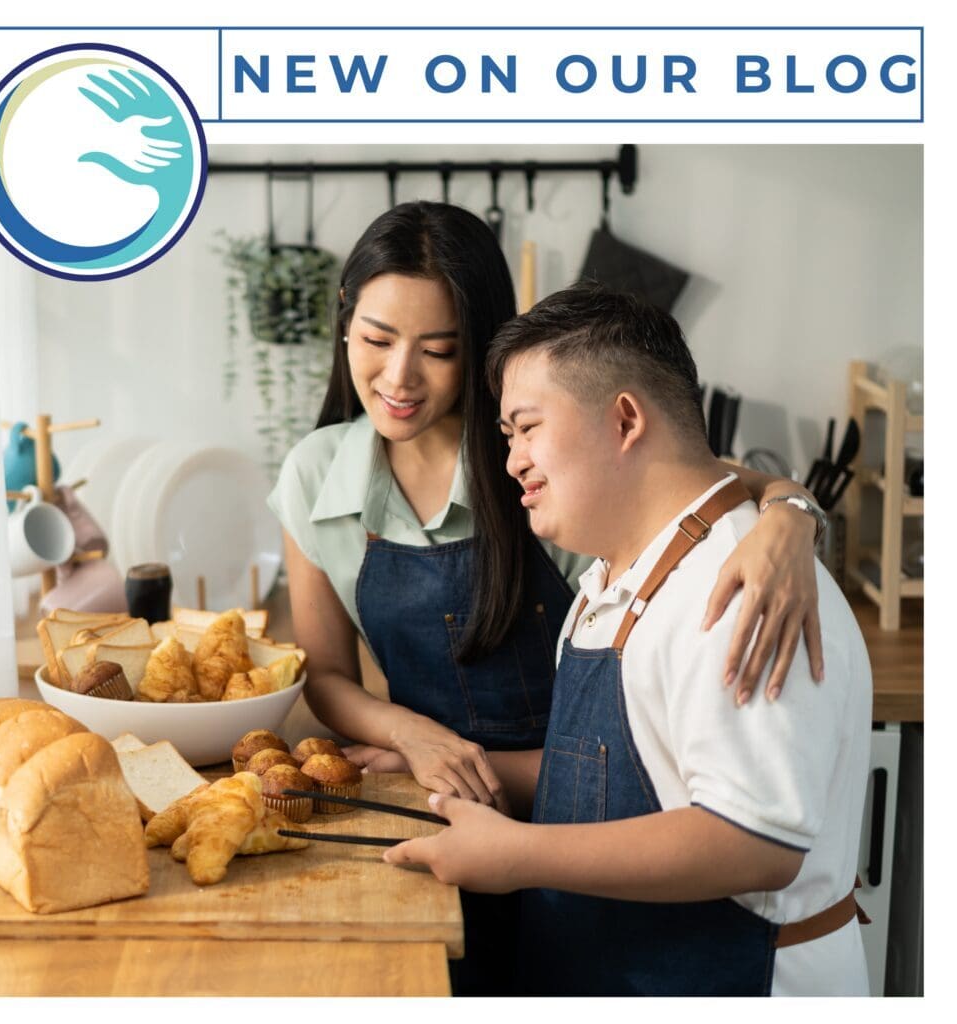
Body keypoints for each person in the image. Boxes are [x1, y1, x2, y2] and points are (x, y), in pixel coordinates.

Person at [268, 201, 829, 996]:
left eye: (439, 350)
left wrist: (792, 512)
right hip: (436, 799)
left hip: (593, 815)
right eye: (376, 340)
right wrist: (418, 740)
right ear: (344, 326)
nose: (399, 378)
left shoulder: (542, 463)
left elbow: (695, 481)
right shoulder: (315, 475)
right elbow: (324, 675)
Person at [384, 285, 872, 997]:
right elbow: (618, 775)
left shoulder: (738, 588)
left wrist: (520, 854)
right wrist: (440, 760)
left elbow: (755, 843)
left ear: (624, 419)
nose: (512, 460)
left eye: (526, 428)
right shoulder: (623, 572)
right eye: (506, 436)